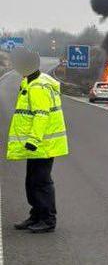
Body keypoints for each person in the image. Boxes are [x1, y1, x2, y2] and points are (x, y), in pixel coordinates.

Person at [7, 47, 68, 233]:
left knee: (41, 182)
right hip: (38, 144)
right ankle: (36, 215)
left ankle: (48, 219)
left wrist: (33, 140)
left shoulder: (38, 86)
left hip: (42, 143)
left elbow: (41, 115)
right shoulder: (30, 82)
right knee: (32, 181)